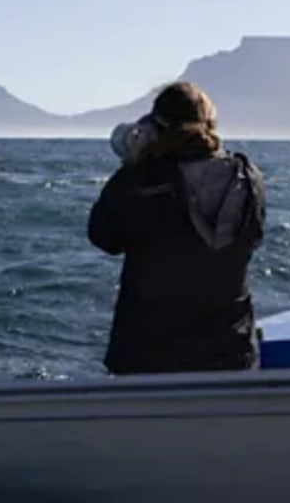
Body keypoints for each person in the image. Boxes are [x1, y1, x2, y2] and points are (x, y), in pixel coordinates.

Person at [88, 81, 266, 374]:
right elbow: (253, 239)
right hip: (231, 355)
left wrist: (133, 166)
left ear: (157, 127)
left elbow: (103, 236)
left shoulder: (141, 180)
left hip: (148, 359)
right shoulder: (249, 179)